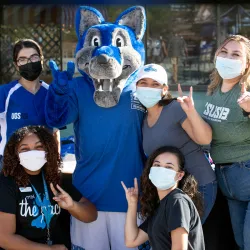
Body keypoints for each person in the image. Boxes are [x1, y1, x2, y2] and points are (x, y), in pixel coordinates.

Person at [134, 63, 217, 224]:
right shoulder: (142, 119)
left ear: (164, 89)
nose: (149, 88)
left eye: (155, 84)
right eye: (144, 83)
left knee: (186, 240)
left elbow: (205, 139)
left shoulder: (175, 109)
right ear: (136, 87)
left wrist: (191, 111)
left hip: (199, 186)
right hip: (169, 191)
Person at [0, 126, 97, 250]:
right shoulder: (6, 183)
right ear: (15, 155)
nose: (32, 152)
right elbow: (4, 238)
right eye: (24, 149)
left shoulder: (57, 180)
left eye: (39, 147)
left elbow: (91, 215)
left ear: (48, 150)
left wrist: (72, 206)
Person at [201, 34, 250, 250]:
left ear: (246, 64)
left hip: (246, 173)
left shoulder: (246, 94)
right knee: (239, 242)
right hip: (226, 182)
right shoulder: (213, 91)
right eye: (224, 52)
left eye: (236, 54)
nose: (228, 58)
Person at [121, 146, 205, 250]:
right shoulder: (160, 206)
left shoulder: (177, 201)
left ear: (179, 175)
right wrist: (132, 203)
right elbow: (132, 240)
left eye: (168, 167)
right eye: (157, 165)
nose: (161, 170)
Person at [0, 39, 60, 171]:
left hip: (43, 165)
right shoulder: (5, 93)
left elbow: (55, 132)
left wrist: (55, 163)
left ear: (41, 59)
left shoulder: (52, 94)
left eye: (33, 57)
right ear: (16, 65)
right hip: (11, 166)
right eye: (22, 59)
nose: (29, 63)